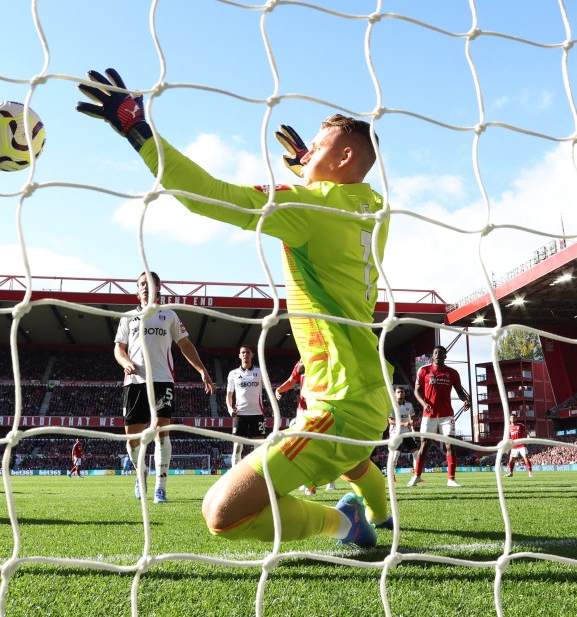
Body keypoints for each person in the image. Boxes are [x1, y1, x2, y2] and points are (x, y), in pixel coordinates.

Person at [78, 69, 391, 547]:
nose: (306, 156)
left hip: (339, 401)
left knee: (222, 514)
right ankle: (377, 508)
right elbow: (338, 208)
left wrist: (136, 130)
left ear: (346, 155)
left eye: (319, 148)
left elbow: (206, 195)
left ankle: (346, 523)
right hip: (369, 394)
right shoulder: (375, 208)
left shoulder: (310, 207)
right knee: (349, 458)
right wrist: (310, 169)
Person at [114, 271, 214, 504]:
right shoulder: (128, 318)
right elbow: (119, 348)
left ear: (159, 287)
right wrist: (126, 362)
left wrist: (202, 370)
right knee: (132, 440)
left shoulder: (169, 316)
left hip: (162, 380)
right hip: (135, 382)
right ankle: (141, 476)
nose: (145, 288)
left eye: (149, 284)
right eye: (141, 284)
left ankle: (161, 487)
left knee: (161, 431)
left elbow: (185, 344)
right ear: (137, 290)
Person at [409, 345, 471, 488]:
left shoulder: (452, 373)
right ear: (432, 356)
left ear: (445, 356)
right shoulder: (424, 370)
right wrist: (424, 404)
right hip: (429, 415)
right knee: (425, 445)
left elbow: (460, 391)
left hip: (447, 415)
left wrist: (465, 400)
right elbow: (417, 392)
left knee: (450, 444)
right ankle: (417, 476)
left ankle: (451, 479)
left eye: (440, 353)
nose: (437, 355)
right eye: (435, 353)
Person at [275, 359, 336, 495]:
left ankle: (330, 481)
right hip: (303, 409)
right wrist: (279, 389)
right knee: (301, 445)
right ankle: (306, 482)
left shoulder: (324, 358)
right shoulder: (300, 361)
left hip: (321, 407)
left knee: (323, 445)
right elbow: (291, 381)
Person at [225, 346, 268, 467]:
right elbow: (229, 394)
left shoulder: (260, 372)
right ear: (239, 355)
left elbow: (268, 389)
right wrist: (229, 408)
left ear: (252, 355)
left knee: (258, 447)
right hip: (240, 414)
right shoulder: (233, 373)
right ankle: (234, 473)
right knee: (237, 446)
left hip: (257, 414)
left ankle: (257, 474)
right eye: (243, 352)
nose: (245, 354)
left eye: (248, 352)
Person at [387, 386, 416, 484]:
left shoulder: (409, 405)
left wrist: (412, 427)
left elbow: (412, 416)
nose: (400, 393)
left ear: (405, 393)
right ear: (395, 394)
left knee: (416, 454)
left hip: (406, 432)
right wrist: (404, 424)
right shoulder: (391, 405)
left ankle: (416, 476)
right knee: (395, 455)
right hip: (395, 432)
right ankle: (391, 476)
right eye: (398, 392)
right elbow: (390, 421)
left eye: (402, 392)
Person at [505, 412, 533, 478]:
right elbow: (508, 438)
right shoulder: (508, 428)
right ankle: (511, 473)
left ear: (516, 419)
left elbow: (527, 432)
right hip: (514, 446)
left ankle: (530, 472)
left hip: (521, 445)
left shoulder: (520, 425)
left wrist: (528, 437)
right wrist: (508, 448)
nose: (512, 418)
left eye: (514, 417)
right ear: (509, 419)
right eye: (511, 417)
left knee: (526, 458)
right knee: (511, 460)